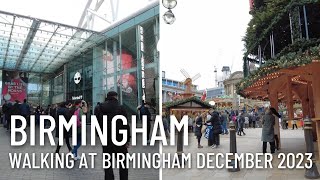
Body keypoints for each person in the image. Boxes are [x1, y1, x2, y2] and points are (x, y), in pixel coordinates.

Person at [97, 91, 130, 180]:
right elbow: (125, 125)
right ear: (116, 97)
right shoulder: (121, 108)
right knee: (123, 164)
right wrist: (127, 139)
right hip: (120, 139)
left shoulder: (99, 108)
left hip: (106, 139)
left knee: (108, 164)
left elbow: (96, 125)